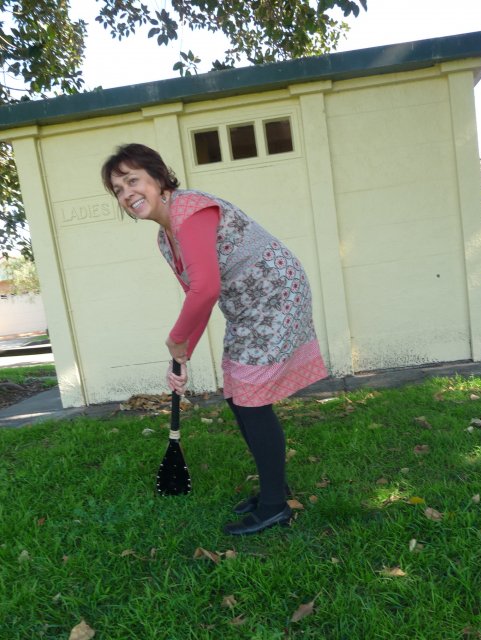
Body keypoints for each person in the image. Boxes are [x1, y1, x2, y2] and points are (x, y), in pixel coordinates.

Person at [101, 143, 328, 535]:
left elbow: (204, 289)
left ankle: (276, 505)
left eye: (132, 180)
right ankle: (275, 488)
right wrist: (183, 355)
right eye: (118, 190)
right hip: (245, 306)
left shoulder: (190, 208)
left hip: (275, 294)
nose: (126, 194)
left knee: (252, 400)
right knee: (237, 394)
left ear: (158, 179)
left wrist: (174, 339)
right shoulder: (164, 239)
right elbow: (200, 298)